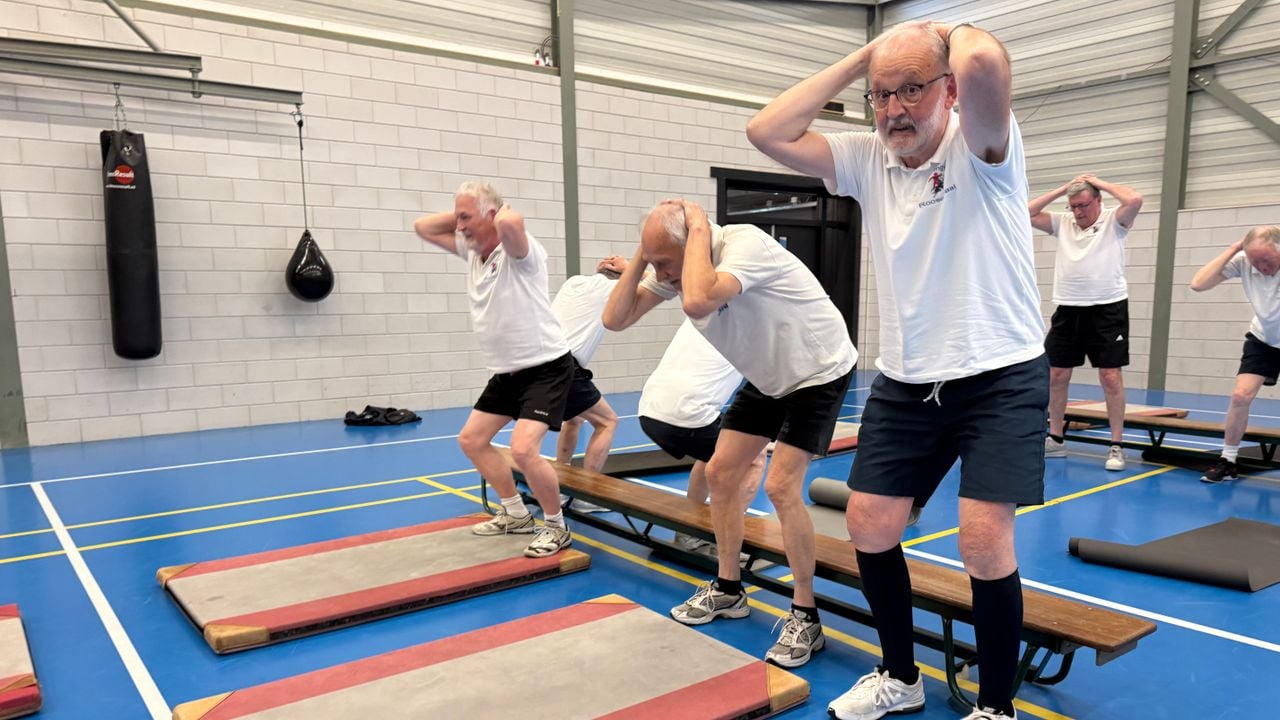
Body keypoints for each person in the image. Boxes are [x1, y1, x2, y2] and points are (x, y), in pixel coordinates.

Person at [748, 20, 1046, 720]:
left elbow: (983, 63)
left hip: (1000, 371)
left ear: (947, 91)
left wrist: (943, 31)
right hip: (908, 378)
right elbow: (765, 131)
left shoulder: (983, 146)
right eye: (882, 96)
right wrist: (864, 60)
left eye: (911, 89)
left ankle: (996, 707)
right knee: (869, 524)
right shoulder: (864, 156)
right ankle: (901, 677)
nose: (894, 110)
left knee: (981, 538)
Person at [603, 199, 857, 669]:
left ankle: (806, 613)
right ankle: (728, 588)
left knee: (781, 486)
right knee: (720, 472)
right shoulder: (679, 267)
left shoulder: (746, 246)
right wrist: (642, 258)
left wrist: (697, 227)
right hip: (768, 375)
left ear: (695, 240)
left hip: (817, 371)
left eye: (665, 262)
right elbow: (614, 319)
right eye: (655, 263)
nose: (661, 274)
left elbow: (700, 298)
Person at [413, 181, 574, 558]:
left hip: (545, 367)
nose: (459, 225)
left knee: (523, 450)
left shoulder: (521, 253)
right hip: (507, 373)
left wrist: (500, 212)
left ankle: (557, 527)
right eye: (458, 217)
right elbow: (423, 227)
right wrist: (464, 216)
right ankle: (516, 514)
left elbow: (513, 225)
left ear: (492, 215)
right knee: (471, 440)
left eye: (466, 217)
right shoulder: (471, 251)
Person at [1029, 174, 1144, 470]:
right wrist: (1062, 189)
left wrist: (1100, 182)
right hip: (1068, 308)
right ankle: (1056, 437)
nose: (1078, 212)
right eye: (1073, 206)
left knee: (1110, 377)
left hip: (1108, 309)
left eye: (1083, 205)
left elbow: (1134, 199)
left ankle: (1116, 445)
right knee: (1056, 375)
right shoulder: (1062, 223)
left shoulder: (1114, 221)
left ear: (1098, 201)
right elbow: (1024, 212)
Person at [637, 318, 762, 554]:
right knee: (754, 459)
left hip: (649, 411)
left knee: (710, 456)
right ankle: (727, 535)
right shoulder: (751, 323)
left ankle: (689, 531)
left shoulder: (701, 309)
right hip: (687, 415)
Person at [1189, 225, 1280, 483]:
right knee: (1240, 396)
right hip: (1264, 339)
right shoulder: (1244, 262)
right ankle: (1228, 461)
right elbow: (1198, 284)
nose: (1261, 266)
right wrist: (1233, 249)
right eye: (1256, 260)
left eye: (1267, 260)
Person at [549, 257, 626, 511]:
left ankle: (558, 487)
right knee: (608, 421)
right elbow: (657, 280)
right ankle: (586, 495)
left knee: (574, 419)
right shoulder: (611, 288)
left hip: (543, 360)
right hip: (563, 366)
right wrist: (629, 267)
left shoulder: (574, 282)